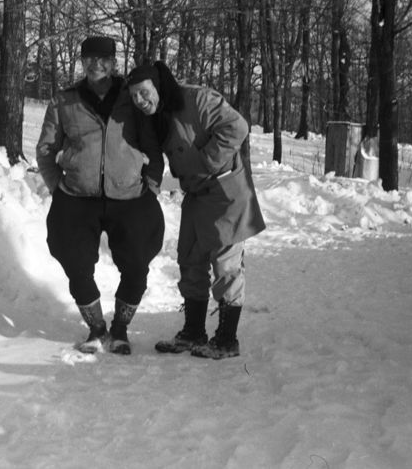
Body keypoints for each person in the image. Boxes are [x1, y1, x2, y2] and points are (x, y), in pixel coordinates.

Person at [126, 61, 265, 360]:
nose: (140, 100)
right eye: (134, 96)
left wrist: (205, 162)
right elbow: (154, 155)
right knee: (190, 259)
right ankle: (193, 332)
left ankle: (226, 340)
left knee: (226, 266)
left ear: (157, 86)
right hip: (195, 194)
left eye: (144, 92)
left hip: (225, 191)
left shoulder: (197, 99)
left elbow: (237, 126)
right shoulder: (153, 118)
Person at [36, 36, 165, 355]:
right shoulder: (65, 101)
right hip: (78, 196)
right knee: (75, 261)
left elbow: (152, 144)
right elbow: (46, 149)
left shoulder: (130, 96)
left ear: (113, 61)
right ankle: (96, 328)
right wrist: (57, 187)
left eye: (103, 58)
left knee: (137, 263)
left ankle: (120, 328)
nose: (97, 64)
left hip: (129, 196)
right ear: (82, 61)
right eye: (90, 58)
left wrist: (152, 183)